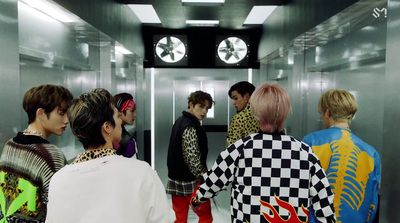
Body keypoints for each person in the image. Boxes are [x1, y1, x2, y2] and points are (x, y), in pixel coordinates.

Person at [191, 84, 336, 223]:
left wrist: (197, 199)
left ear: (256, 111)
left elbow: (213, 181)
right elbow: (323, 198)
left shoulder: (240, 149)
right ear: (285, 113)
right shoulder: (304, 151)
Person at [45, 88, 174, 223]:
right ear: (107, 127)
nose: (120, 121)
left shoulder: (59, 179)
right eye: (117, 116)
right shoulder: (141, 172)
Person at [302, 89, 380, 223]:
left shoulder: (311, 142)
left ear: (328, 112)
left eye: (321, 113)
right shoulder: (371, 153)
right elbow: (373, 202)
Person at [0, 84, 72, 222]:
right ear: (41, 114)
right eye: (61, 113)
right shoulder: (50, 155)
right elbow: (60, 207)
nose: (66, 120)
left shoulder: (9, 145)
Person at [166, 90, 214, 223]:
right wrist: (204, 177)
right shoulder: (190, 126)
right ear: (191, 105)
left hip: (176, 179)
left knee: (179, 218)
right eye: (201, 106)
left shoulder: (180, 121)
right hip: (192, 182)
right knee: (205, 217)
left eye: (207, 108)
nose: (204, 111)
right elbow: (192, 158)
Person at [226, 81, 260, 147]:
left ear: (246, 97)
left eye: (236, 98)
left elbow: (231, 148)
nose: (234, 103)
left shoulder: (238, 119)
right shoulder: (267, 115)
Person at [113, 92, 138, 158]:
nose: (135, 115)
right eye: (132, 111)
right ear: (119, 112)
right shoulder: (128, 141)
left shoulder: (105, 135)